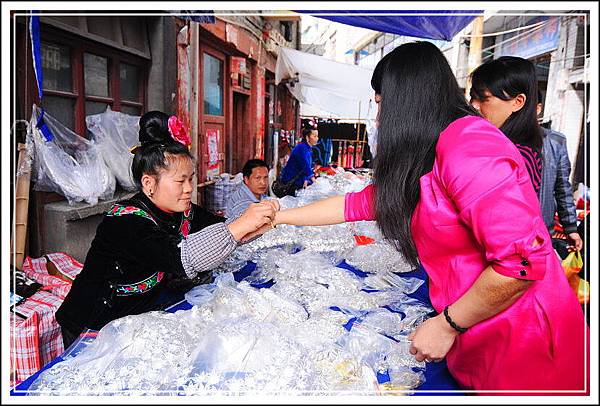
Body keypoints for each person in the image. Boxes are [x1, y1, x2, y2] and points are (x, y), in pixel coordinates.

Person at [262, 42, 588, 392]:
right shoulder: (428, 152)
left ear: (406, 101)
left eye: (381, 103)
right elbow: (357, 204)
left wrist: (447, 324)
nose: (379, 118)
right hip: (478, 326)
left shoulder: (469, 146)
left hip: (524, 340)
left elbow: (521, 262)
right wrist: (277, 217)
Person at [55, 111, 276, 349]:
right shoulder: (125, 222)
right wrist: (241, 225)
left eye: (191, 179)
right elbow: (182, 256)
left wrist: (255, 222)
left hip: (136, 317)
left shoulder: (184, 211)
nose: (189, 189)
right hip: (95, 322)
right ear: (149, 183)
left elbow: (221, 229)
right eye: (180, 182)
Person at [469, 56, 544, 195]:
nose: (474, 105)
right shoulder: (490, 143)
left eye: (483, 98)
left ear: (517, 102)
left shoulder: (520, 158)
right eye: (472, 96)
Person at [536, 90, 583, 251]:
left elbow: (562, 187)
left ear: (538, 109)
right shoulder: (502, 141)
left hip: (542, 232)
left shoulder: (555, 141)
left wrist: (570, 227)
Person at [275, 123, 319, 196]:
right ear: (307, 137)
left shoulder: (307, 148)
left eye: (317, 136)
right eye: (314, 136)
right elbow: (305, 165)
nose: (317, 138)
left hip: (297, 181)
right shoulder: (301, 148)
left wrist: (306, 179)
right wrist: (313, 179)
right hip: (291, 181)